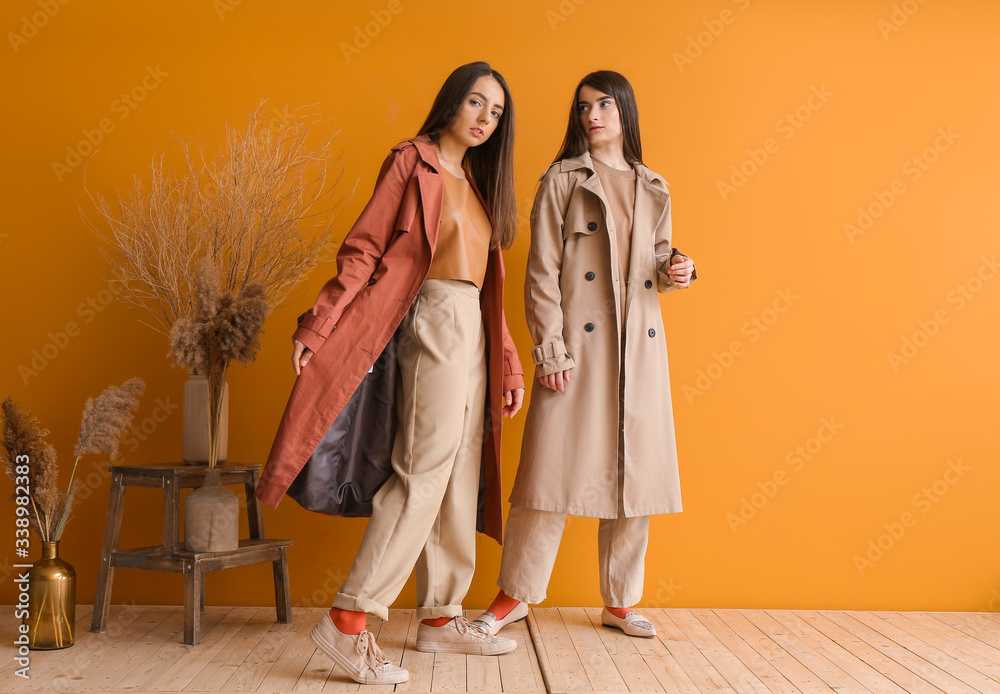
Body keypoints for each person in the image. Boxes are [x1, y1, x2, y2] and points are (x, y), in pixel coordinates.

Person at [254, 62, 525, 685]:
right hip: (429, 319)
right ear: (452, 102)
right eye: (476, 104)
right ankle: (349, 621)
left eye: (496, 112)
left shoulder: (480, 185)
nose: (484, 119)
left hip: (474, 330)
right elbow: (365, 247)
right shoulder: (412, 161)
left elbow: (489, 289)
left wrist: (507, 362)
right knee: (423, 469)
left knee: (460, 474)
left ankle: (440, 619)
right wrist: (319, 325)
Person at [473, 70, 696, 639]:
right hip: (577, 348)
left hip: (639, 352)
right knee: (547, 472)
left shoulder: (655, 186)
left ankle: (620, 601)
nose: (591, 116)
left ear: (625, 109)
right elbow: (540, 273)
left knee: (633, 474)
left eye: (602, 105)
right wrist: (550, 350)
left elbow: (658, 263)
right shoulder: (562, 181)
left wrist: (680, 270)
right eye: (582, 108)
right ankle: (515, 595)